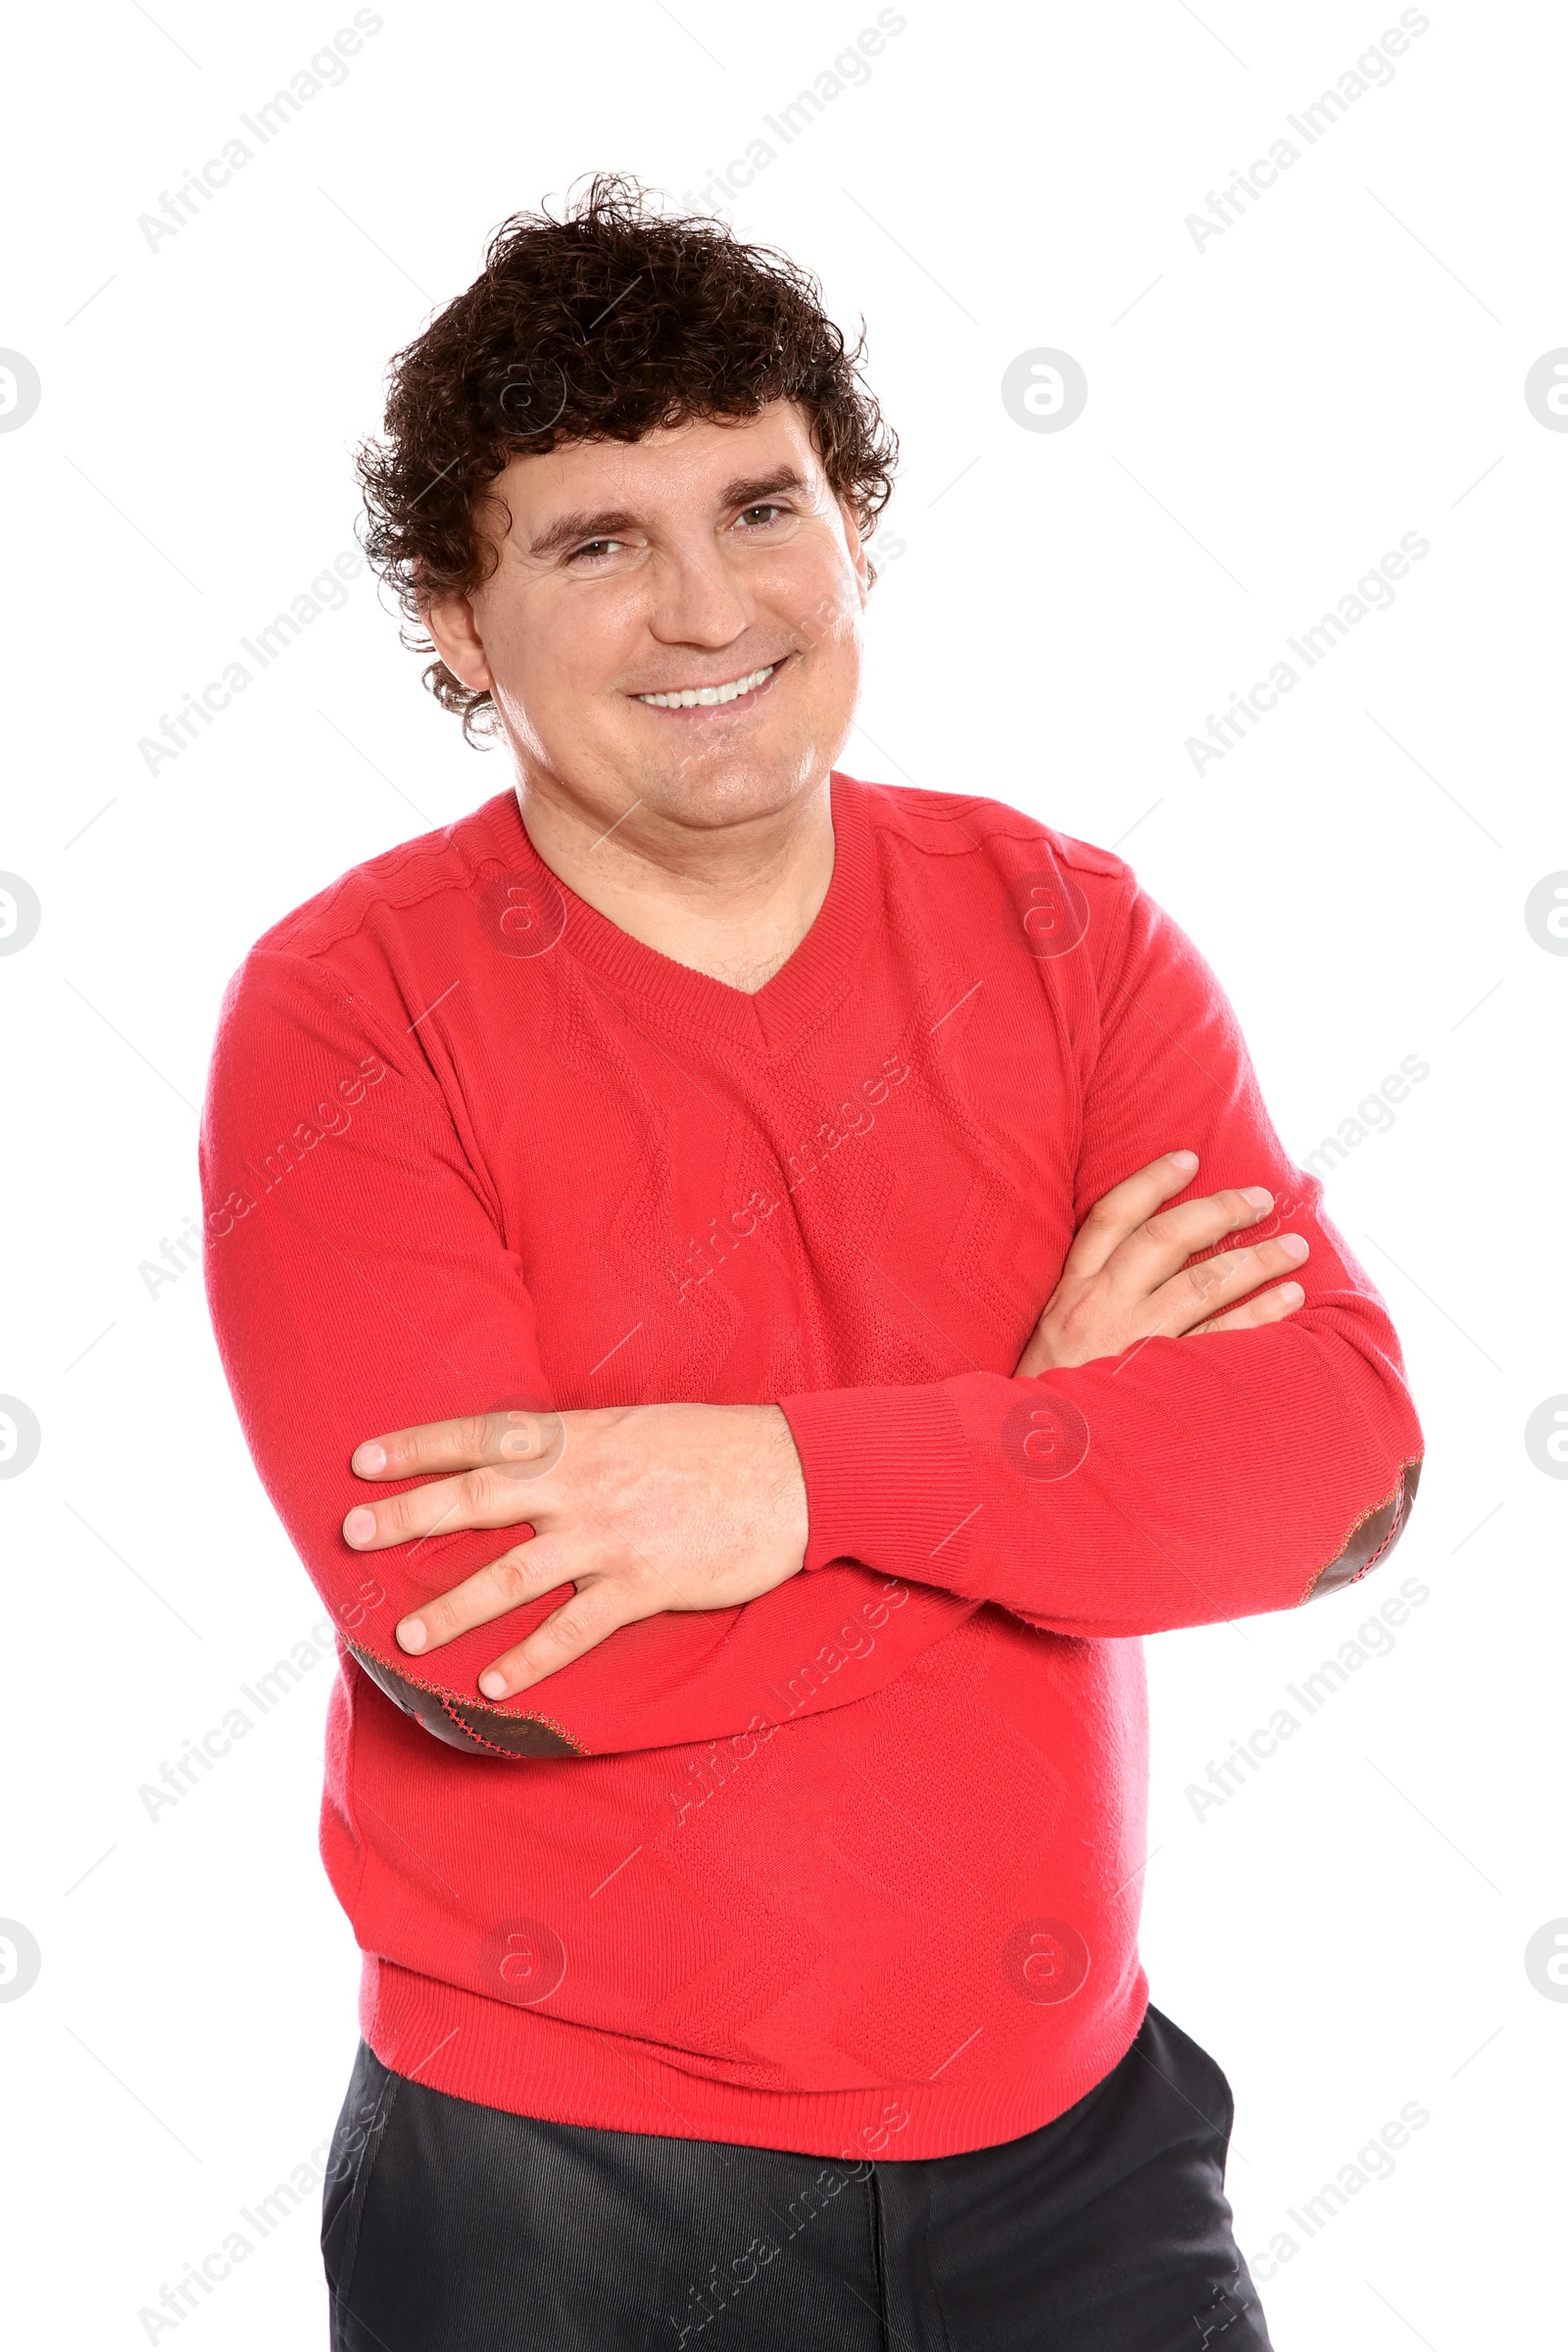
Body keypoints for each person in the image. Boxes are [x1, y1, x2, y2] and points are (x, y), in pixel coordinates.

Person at [199, 174, 1423, 2350]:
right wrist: (1060, 1445)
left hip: (1080, 2152)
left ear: (850, 522)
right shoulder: (348, 1012)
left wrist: (778, 1481)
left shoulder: (1063, 932)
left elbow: (1326, 1471)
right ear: (454, 617)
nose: (705, 609)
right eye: (596, 542)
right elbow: (497, 1663)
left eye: (760, 507)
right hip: (556, 2195)